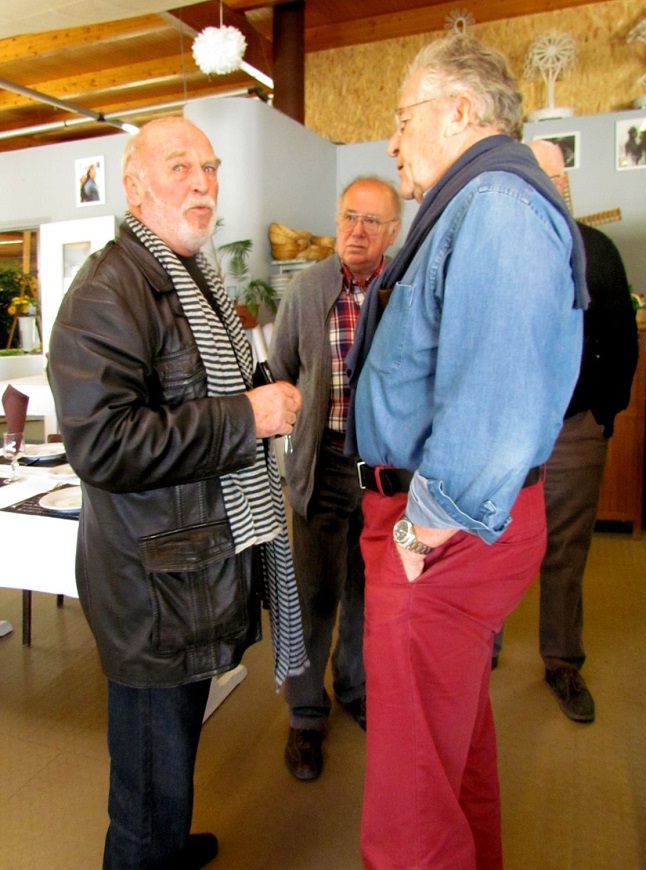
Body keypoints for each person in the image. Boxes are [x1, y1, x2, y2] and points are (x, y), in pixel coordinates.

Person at [345, 35, 588, 868]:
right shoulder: (477, 202)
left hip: (434, 534)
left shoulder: (495, 205)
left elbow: (499, 404)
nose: (391, 138)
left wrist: (419, 534)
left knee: (408, 806)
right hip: (433, 529)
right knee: (450, 753)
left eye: (401, 117)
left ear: (457, 111)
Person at [47, 116, 306, 869]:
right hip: (153, 590)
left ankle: (167, 838)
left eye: (210, 166)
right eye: (179, 167)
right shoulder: (109, 289)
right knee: (146, 790)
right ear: (133, 187)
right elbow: (104, 445)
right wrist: (246, 416)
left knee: (170, 756)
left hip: (183, 573)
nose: (202, 182)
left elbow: (192, 391)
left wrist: (257, 395)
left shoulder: (189, 276)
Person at [492, 139, 639, 723]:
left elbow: (622, 341)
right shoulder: (496, 246)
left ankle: (561, 661)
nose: (545, 185)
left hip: (576, 428)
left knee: (565, 549)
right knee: (492, 539)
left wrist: (605, 415)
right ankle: (485, 646)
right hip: (504, 430)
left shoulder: (596, 249)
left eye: (555, 175)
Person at [268, 176, 401, 781]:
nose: (357, 230)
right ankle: (305, 718)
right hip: (321, 467)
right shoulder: (306, 288)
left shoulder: (408, 288)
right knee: (315, 597)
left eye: (373, 221)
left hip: (384, 474)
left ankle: (353, 687)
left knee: (366, 593)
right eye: (350, 216)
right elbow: (282, 372)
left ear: (392, 231)